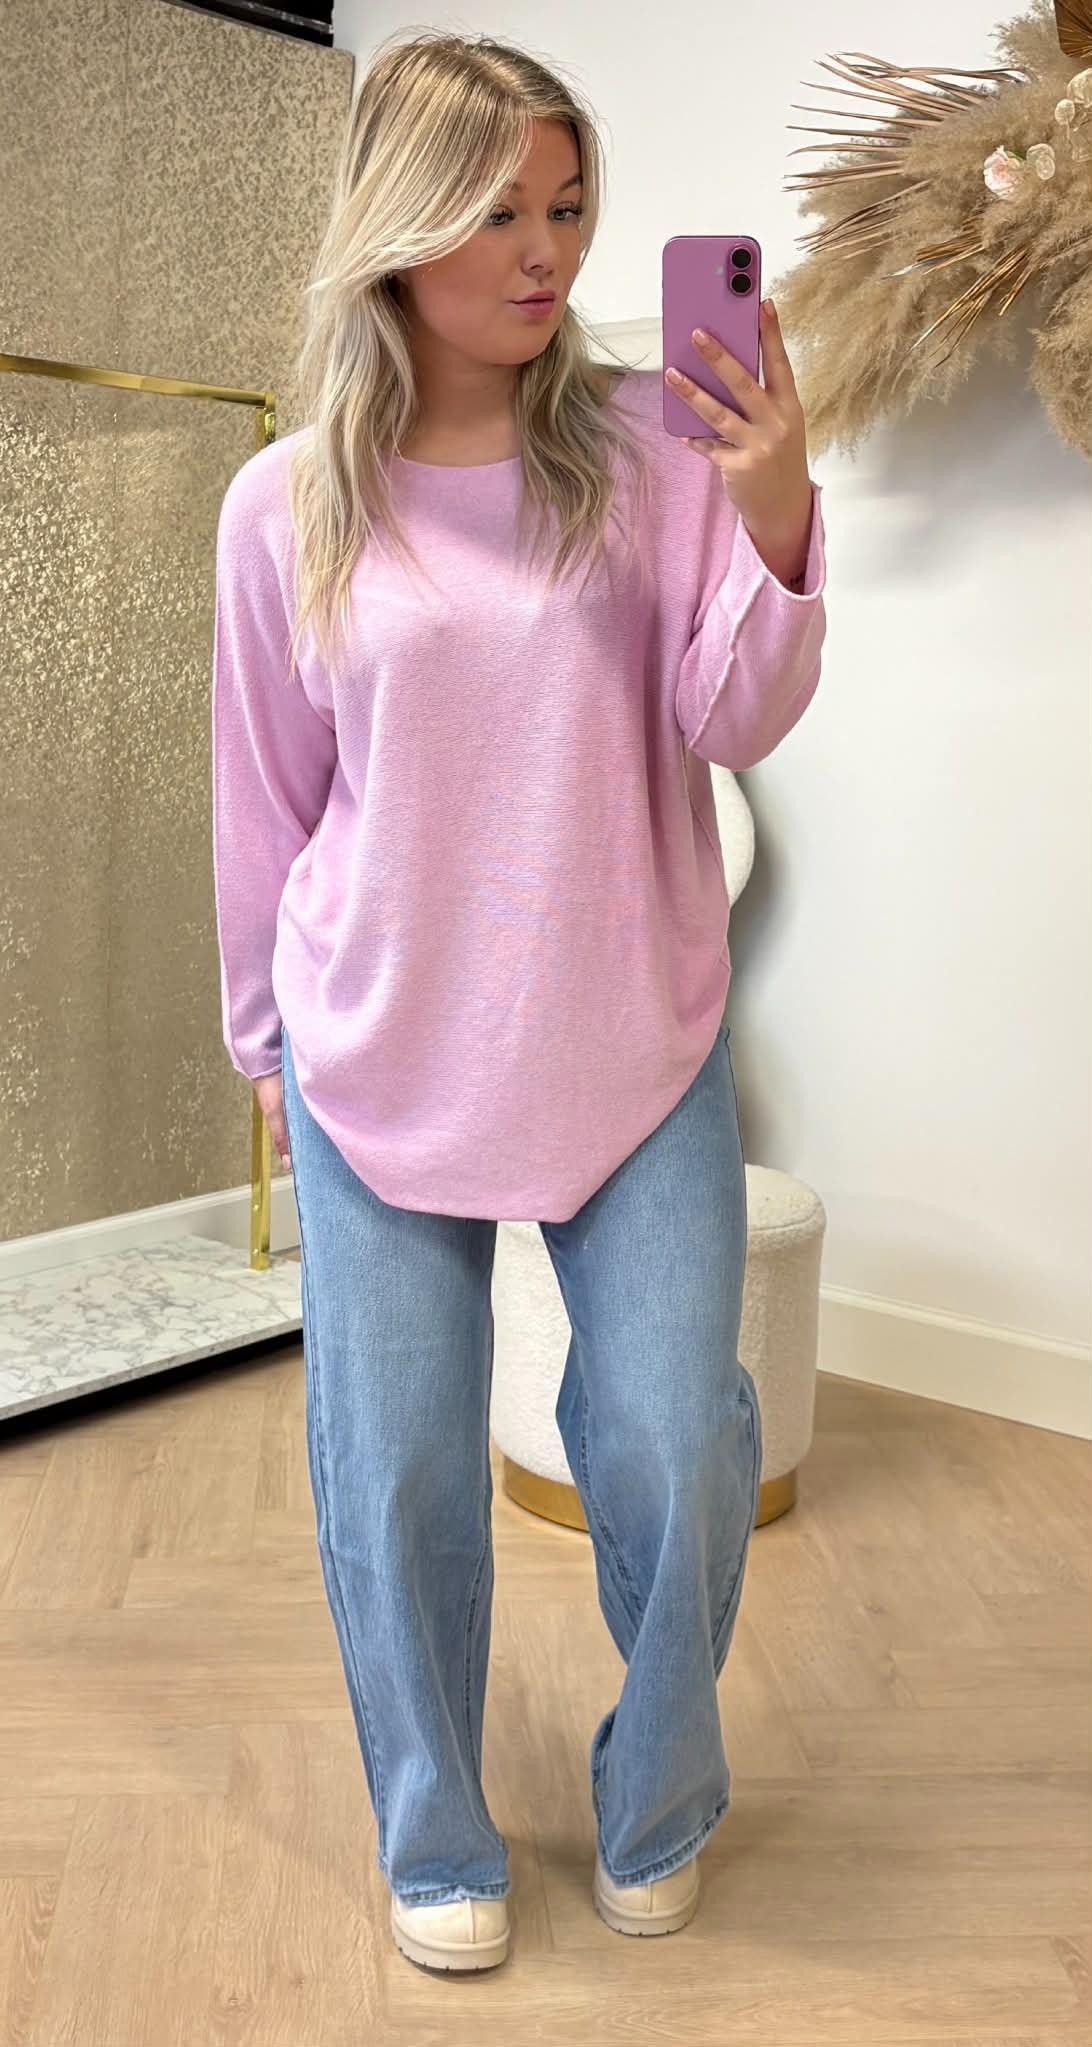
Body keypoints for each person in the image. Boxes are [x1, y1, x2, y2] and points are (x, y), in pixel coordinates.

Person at [211, 27, 827, 1977]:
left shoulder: (654, 446)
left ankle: (660, 1788)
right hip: (379, 1040)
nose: (547, 247)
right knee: (393, 1465)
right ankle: (435, 1830)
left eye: (568, 204)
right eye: (497, 209)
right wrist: (261, 1043)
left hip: (629, 1031)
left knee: (676, 1435)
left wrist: (775, 509)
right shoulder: (283, 505)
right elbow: (265, 797)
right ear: (397, 224)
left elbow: (733, 714)